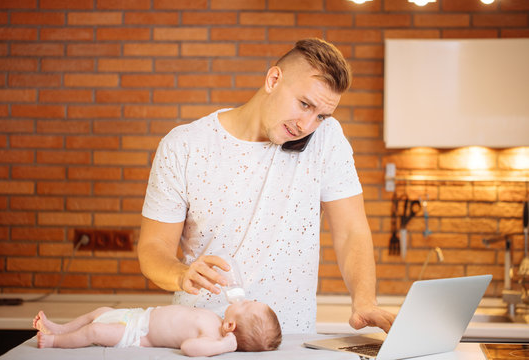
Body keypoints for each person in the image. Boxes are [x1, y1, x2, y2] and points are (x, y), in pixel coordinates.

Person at [138, 38, 395, 334]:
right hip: (202, 334)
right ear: (273, 79)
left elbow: (351, 230)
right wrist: (181, 275)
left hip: (290, 340)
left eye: (321, 115)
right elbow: (153, 247)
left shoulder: (327, 140)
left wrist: (364, 301)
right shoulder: (184, 146)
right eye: (304, 104)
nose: (307, 125)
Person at [32, 300, 282, 357]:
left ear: (231, 326)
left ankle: (55, 342)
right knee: (99, 313)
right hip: (139, 316)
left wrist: (223, 346)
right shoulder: (216, 320)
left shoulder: (213, 337)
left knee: (96, 332)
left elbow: (189, 347)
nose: (242, 299)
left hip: (137, 334)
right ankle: (61, 329)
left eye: (246, 304)